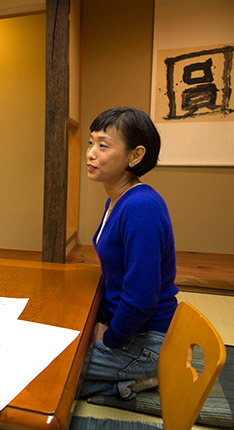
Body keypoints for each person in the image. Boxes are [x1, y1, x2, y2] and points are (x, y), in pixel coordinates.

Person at [80, 107, 178, 400]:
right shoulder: (118, 199)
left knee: (52, 372)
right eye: (91, 142)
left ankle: (143, 375)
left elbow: (142, 297)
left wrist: (110, 338)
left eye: (103, 145)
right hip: (125, 326)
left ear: (135, 155)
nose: (90, 153)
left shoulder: (141, 206)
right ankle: (124, 382)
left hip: (146, 339)